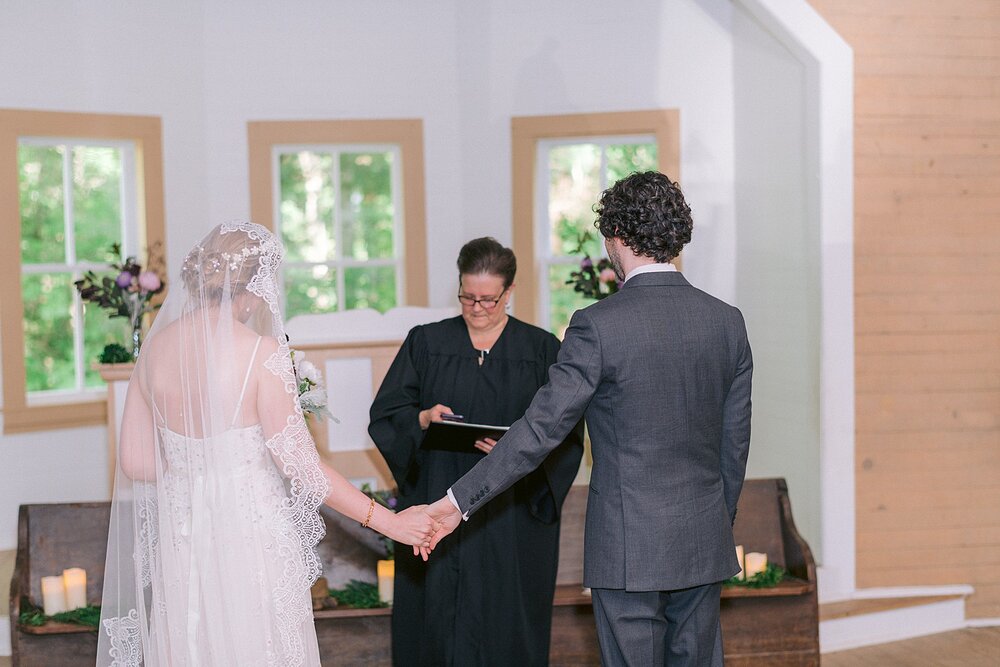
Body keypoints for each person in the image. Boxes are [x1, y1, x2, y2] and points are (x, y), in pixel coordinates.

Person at [426, 172, 753, 666]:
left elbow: (539, 430)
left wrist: (455, 504)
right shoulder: (727, 321)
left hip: (626, 547)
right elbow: (735, 442)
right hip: (702, 538)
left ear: (616, 238)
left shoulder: (597, 326)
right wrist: (714, 521)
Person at [97, 222, 437, 667]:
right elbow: (303, 469)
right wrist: (391, 523)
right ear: (253, 290)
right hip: (250, 537)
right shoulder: (260, 353)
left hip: (184, 538)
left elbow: (135, 461)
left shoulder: (154, 351)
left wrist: (196, 468)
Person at [368, 237, 584, 666]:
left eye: (489, 298)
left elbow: (567, 430)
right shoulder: (426, 343)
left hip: (510, 508)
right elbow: (386, 415)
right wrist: (425, 419)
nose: (478, 307)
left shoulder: (540, 350)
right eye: (468, 296)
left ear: (510, 292)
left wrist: (516, 449)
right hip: (436, 488)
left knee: (506, 621)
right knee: (435, 621)